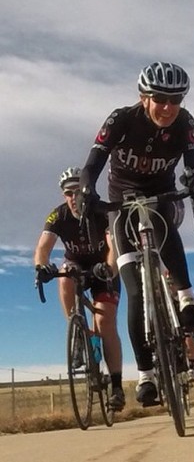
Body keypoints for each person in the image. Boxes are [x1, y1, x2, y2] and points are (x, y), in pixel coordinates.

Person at [78, 62, 194, 405]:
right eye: (159, 98)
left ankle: (185, 298)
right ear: (143, 97)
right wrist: (87, 189)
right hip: (122, 201)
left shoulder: (185, 121)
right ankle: (147, 376)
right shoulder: (121, 119)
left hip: (162, 196)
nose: (167, 107)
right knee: (134, 291)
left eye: (174, 100)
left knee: (157, 213)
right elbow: (93, 162)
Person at [34, 167, 125, 410]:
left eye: (78, 191)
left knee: (106, 323)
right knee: (64, 275)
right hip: (76, 265)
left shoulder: (102, 212)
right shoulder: (58, 216)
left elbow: (113, 247)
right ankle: (77, 332)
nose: (74, 197)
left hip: (103, 268)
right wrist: (40, 267)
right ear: (64, 196)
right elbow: (43, 247)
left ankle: (116, 386)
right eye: (68, 193)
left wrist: (109, 269)